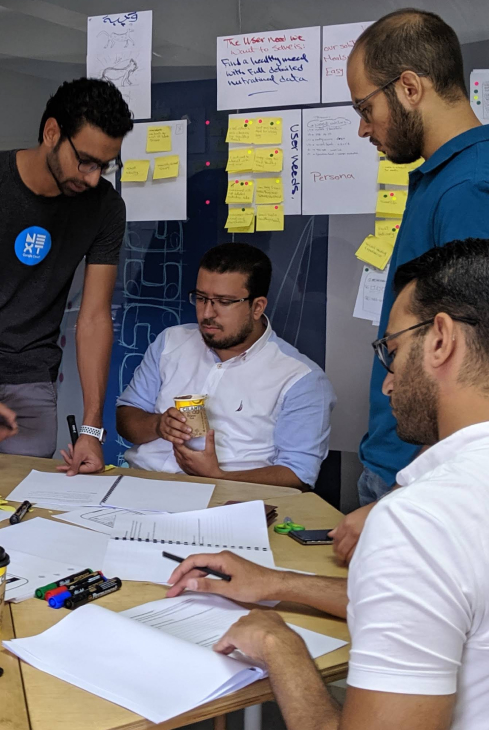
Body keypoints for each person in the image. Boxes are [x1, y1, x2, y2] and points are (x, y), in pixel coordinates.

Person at [167, 238, 489, 730]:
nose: (387, 383)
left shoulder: (422, 521)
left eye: (393, 352)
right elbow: (433, 599)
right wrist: (275, 582)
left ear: (441, 340)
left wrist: (279, 645)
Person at [331, 7, 489, 562]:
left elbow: (478, 375)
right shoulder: (439, 179)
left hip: (422, 487)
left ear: (410, 87)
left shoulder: (469, 190)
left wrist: (410, 498)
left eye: (364, 107)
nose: (363, 127)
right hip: (401, 473)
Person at [0, 78, 133, 475]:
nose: (95, 177)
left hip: (32, 379)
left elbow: (94, 318)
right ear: (51, 133)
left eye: (105, 165)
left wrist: (92, 430)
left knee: (29, 503)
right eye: (86, 161)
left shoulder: (104, 208)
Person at [116, 243, 335, 489]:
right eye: (201, 298)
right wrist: (157, 425)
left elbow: (299, 475)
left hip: (230, 500)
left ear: (257, 307)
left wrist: (219, 477)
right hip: (142, 484)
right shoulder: (170, 342)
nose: (207, 313)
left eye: (223, 301)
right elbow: (127, 418)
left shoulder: (299, 378)